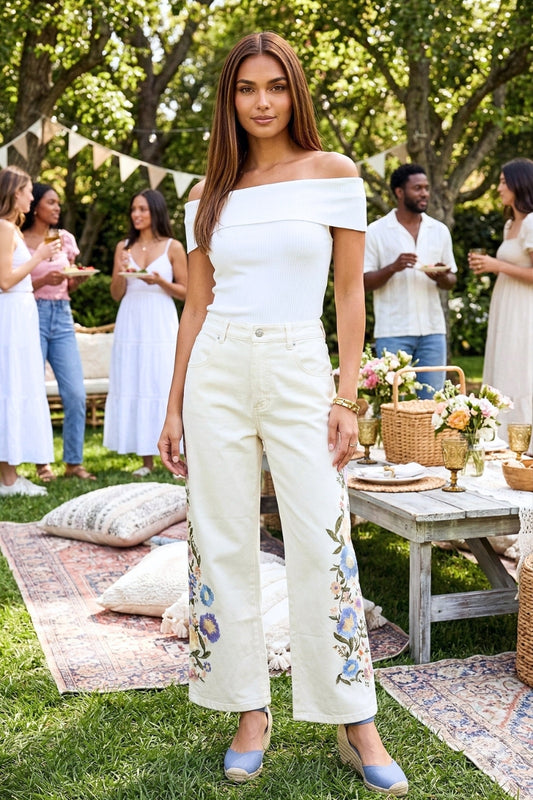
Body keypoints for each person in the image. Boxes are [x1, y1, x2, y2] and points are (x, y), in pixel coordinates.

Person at [158, 32, 408, 796]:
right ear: (228, 100)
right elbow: (195, 305)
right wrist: (171, 409)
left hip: (301, 364)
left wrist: (346, 395)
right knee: (222, 538)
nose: (260, 102)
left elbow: (346, 294)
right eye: (244, 89)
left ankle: (352, 719)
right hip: (217, 369)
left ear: (293, 91)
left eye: (273, 87)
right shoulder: (209, 195)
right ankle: (248, 711)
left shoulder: (333, 176)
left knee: (322, 536)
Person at [104, 189, 187, 476]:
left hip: (160, 318)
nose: (136, 215)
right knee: (134, 378)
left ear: (156, 212)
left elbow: (188, 292)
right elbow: (116, 293)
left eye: (142, 209)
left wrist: (159, 281)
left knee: (161, 379)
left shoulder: (172, 247)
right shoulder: (123, 247)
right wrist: (120, 271)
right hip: (130, 318)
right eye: (133, 210)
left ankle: (174, 452)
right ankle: (145, 460)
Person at [21, 183, 95, 481]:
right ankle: (42, 464)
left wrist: (75, 280)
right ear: (35, 206)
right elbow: (11, 283)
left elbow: (69, 278)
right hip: (32, 316)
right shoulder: (20, 240)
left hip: (63, 316)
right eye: (50, 202)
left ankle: (73, 463)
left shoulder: (65, 239)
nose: (57, 208)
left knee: (75, 393)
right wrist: (42, 281)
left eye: (58, 203)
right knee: (35, 391)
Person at [364, 163, 457, 398]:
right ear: (399, 192)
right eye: (417, 188)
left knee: (433, 404)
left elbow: (451, 280)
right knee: (393, 403)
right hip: (393, 332)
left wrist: (441, 276)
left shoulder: (439, 230)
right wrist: (393, 268)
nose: (424, 193)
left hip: (433, 332)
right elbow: (364, 281)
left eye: (426, 188)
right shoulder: (376, 231)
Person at [0, 167, 58, 496]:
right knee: (9, 386)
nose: (31, 197)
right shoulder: (5, 228)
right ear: (12, 193)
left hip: (21, 314)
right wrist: (38, 257)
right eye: (26, 190)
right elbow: (5, 281)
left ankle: (10, 473)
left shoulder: (13, 230)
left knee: (18, 385)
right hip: (9, 316)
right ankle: (8, 480)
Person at [469, 157, 533, 439]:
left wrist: (497, 265)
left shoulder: (532, 222)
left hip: (524, 309)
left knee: (521, 368)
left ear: (520, 184)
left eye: (503, 182)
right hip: (505, 306)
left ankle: (523, 439)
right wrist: (488, 266)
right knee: (504, 365)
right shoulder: (510, 227)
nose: (498, 188)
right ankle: (501, 438)